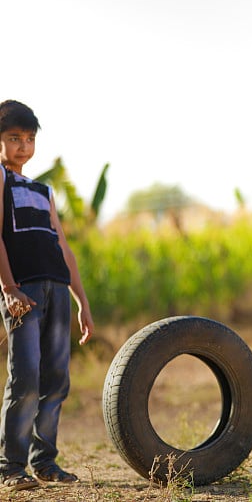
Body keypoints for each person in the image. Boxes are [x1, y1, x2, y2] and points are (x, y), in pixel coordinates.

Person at [0, 100, 94, 491]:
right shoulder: (1, 180)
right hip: (24, 292)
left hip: (56, 289)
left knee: (56, 380)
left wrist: (82, 302)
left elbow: (64, 247)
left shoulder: (43, 190)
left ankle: (45, 461)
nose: (23, 146)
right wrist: (7, 287)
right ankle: (9, 468)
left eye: (29, 139)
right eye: (13, 138)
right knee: (26, 380)